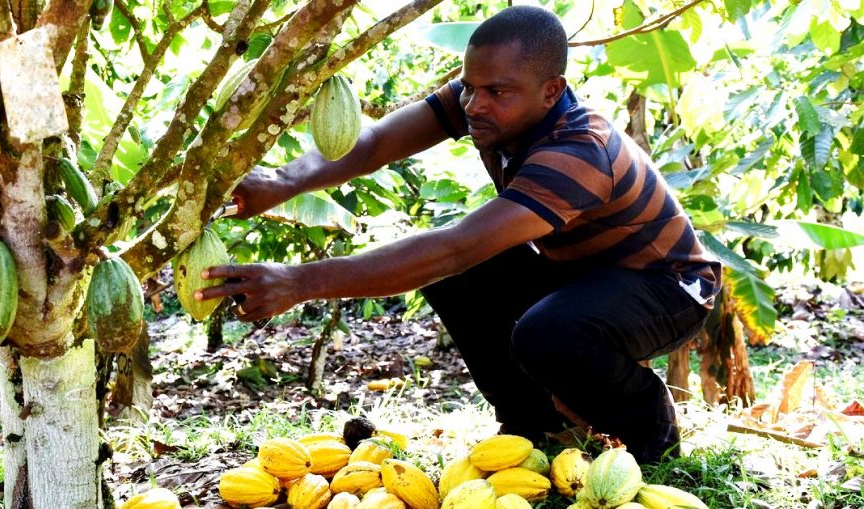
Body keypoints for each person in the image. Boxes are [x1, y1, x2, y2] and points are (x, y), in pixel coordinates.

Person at [196, 5, 722, 463]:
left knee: (542, 331)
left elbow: (455, 248)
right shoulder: (489, 100)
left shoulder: (581, 149)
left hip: (669, 288)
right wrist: (281, 181)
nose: (474, 104)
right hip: (584, 273)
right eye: (469, 87)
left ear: (551, 91)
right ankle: (535, 429)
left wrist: (298, 282)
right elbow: (377, 143)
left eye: (495, 91)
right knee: (461, 281)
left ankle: (650, 429)